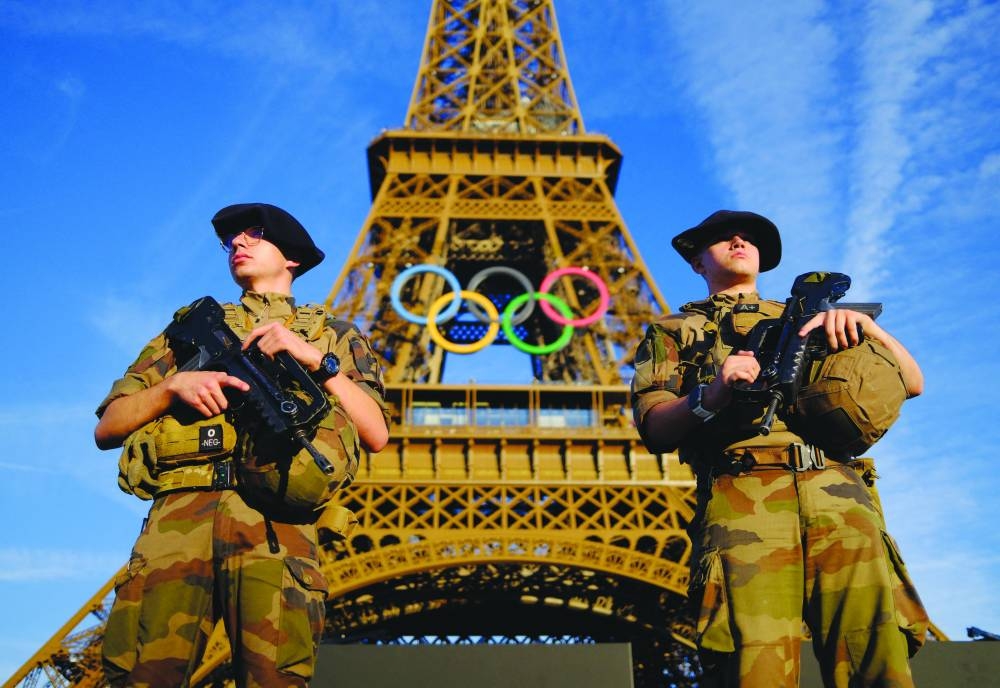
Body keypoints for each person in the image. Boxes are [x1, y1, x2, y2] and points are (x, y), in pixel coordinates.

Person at [94, 202, 390, 687]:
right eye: (231, 239)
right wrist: (171, 388)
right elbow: (108, 427)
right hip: (178, 519)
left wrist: (316, 360)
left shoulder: (334, 335)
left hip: (277, 523)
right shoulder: (186, 333)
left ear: (292, 257)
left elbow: (376, 432)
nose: (239, 243)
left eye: (255, 234)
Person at [630, 210, 925, 687]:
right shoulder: (673, 331)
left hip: (839, 495)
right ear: (697, 262)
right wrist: (713, 393)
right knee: (756, 667)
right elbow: (655, 426)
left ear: (763, 258)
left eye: (748, 238)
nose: (738, 241)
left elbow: (912, 383)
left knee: (878, 656)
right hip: (744, 498)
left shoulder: (813, 316)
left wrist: (867, 330)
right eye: (722, 238)